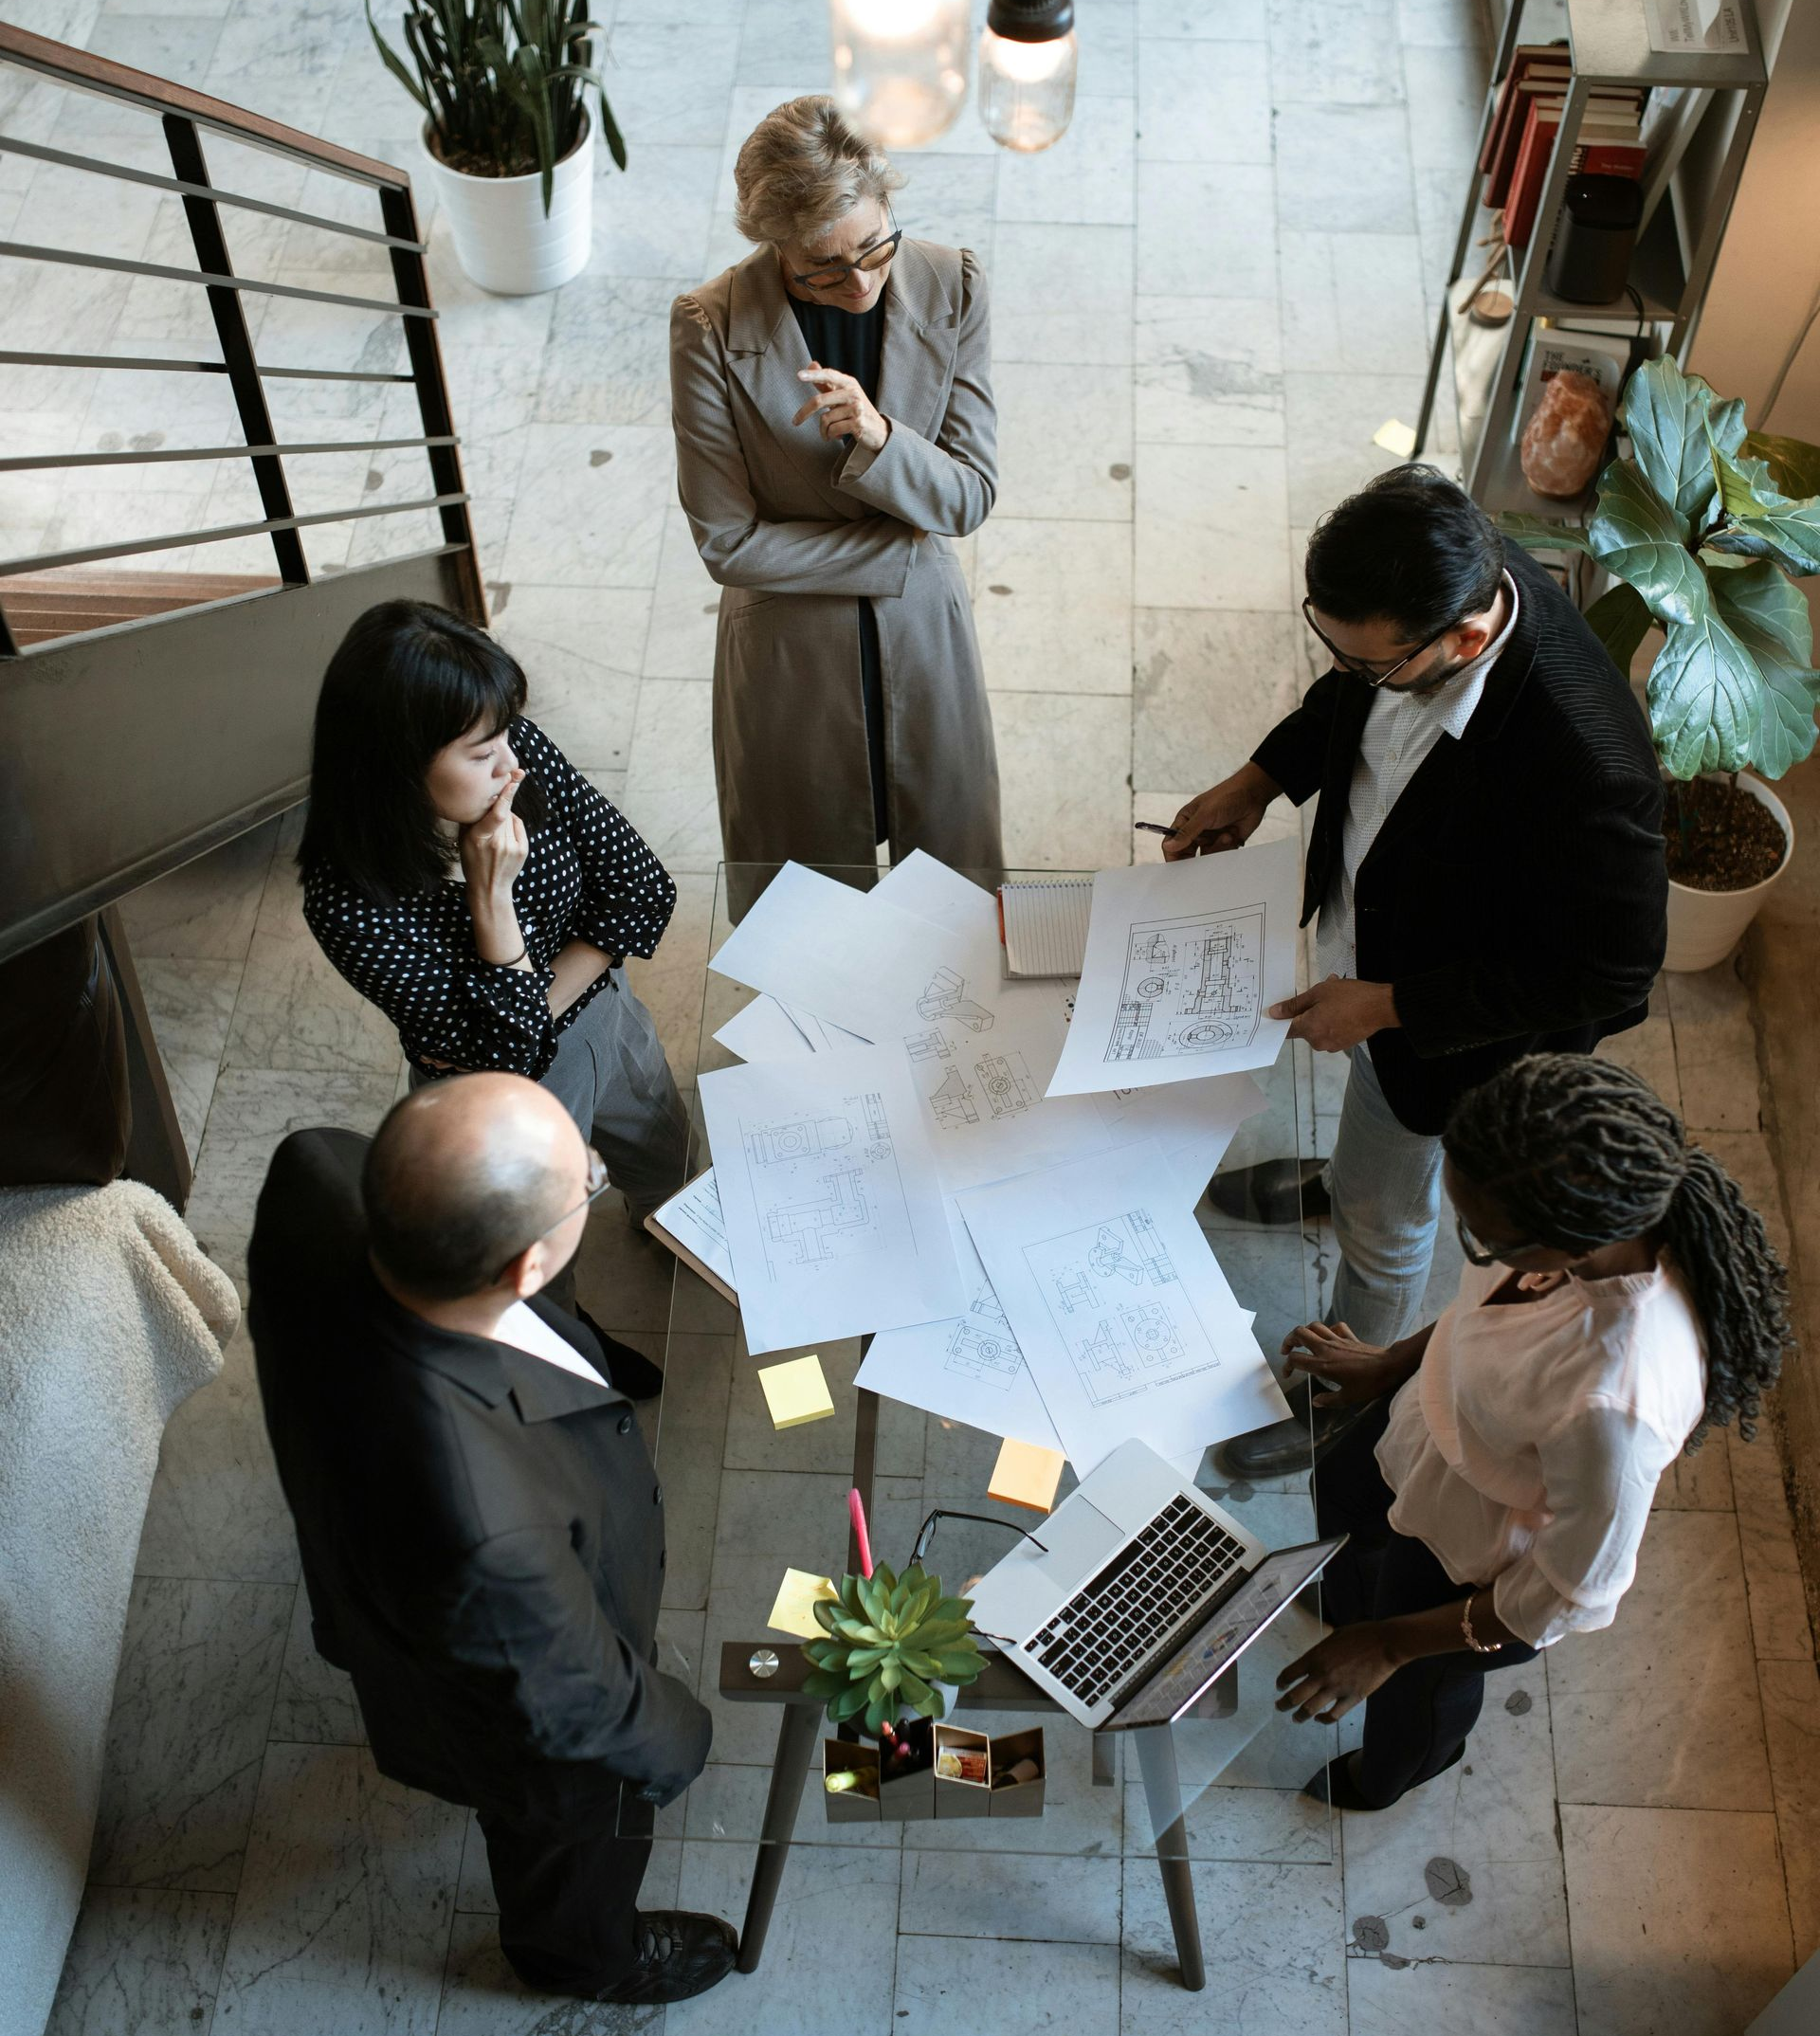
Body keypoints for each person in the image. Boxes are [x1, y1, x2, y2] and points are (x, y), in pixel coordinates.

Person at [1164, 464, 1666, 1475]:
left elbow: (1613, 977)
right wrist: (1262, 779)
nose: (1350, 672)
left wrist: (1390, 1005)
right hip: (1380, 953)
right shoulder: (1450, 563)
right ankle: (1343, 1172)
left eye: (1374, 663)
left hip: (1451, 1037)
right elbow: (1350, 704)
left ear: (1467, 640)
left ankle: (1347, 1387)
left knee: (1387, 1216)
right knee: (1367, 1136)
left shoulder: (1588, 763)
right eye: (1334, 646)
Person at [247, 1074, 736, 2004]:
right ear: (525, 1271)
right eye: (587, 1181)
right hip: (514, 1697)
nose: (594, 1175)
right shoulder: (487, 1526)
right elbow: (573, 1703)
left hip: (368, 1542)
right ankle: (582, 1957)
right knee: (573, 1830)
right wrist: (676, 1738)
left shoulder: (315, 1169)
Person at [1271, 1053, 1791, 1812]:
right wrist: (1392, 1364)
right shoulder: (1551, 1195)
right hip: (1432, 1416)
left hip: (1475, 1536)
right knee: (1340, 1498)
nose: (1472, 1247)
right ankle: (1356, 1605)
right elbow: (1479, 1315)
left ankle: (1393, 1775)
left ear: (1570, 1243)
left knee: (1416, 1689)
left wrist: (1390, 1644)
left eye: (1483, 1240)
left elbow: (1558, 1597)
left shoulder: (1615, 1402)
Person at [298, 601, 690, 1319]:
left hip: (604, 1011)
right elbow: (507, 1065)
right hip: (493, 1090)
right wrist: (491, 900)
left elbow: (640, 886)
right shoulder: (350, 906)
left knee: (665, 1154)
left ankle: (673, 1235)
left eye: (504, 732)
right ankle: (578, 1351)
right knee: (535, 1260)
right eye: (480, 754)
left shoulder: (517, 754)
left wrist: (552, 1001)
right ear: (395, 767)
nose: (511, 759)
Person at [669, 94, 1002, 881]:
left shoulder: (953, 283)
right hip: (789, 657)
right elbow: (727, 541)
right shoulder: (710, 325)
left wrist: (883, 439)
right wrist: (897, 555)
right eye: (822, 268)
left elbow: (969, 496)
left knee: (952, 884)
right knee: (806, 895)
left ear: (887, 201)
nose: (857, 284)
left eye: (874, 249)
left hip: (924, 638)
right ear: (775, 248)